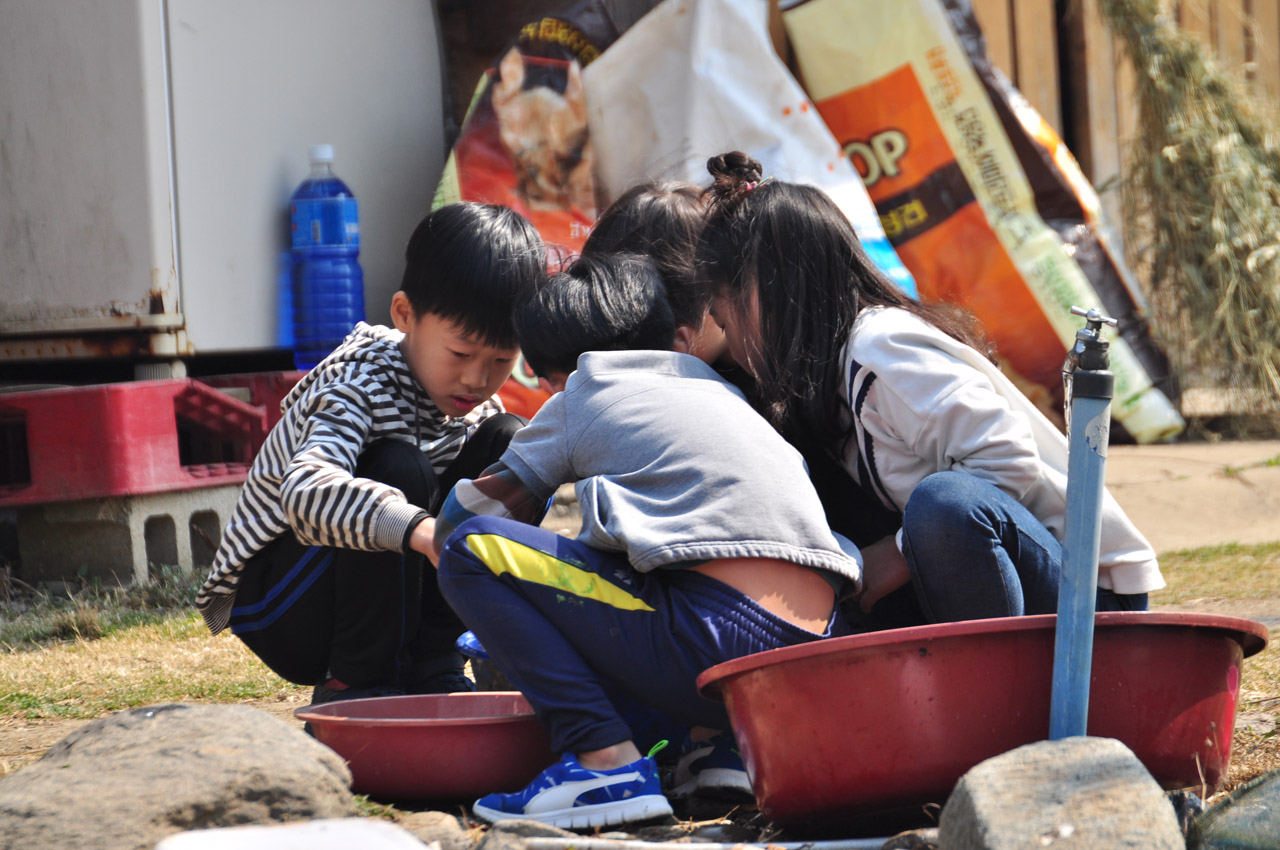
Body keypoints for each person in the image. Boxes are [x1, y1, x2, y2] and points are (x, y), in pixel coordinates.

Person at [431, 253, 862, 829]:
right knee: (660, 563)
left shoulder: (586, 388)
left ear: (560, 371)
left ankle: (604, 765)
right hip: (811, 656)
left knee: (475, 551)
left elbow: (463, 520)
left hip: (718, 637)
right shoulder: (717, 390)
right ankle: (726, 754)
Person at [695, 151, 1163, 631]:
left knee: (946, 505)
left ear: (771, 288)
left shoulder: (882, 348)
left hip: (1092, 599)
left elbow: (1005, 458)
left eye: (723, 298)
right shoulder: (831, 380)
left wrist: (895, 554)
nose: (716, 314)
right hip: (1020, 580)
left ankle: (992, 690)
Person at [194, 202, 546, 704]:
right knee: (399, 466)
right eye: (461, 353)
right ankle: (358, 682)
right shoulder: (357, 384)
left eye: (501, 360)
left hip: (378, 601)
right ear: (405, 315)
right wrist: (420, 530)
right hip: (284, 607)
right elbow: (304, 492)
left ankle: (435, 661)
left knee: (514, 449)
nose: (477, 378)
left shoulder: (480, 408)